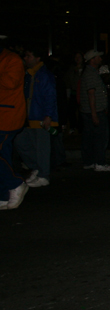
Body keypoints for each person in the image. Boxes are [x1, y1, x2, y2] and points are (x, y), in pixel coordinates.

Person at [16, 45, 59, 188]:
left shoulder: (44, 75)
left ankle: (43, 174)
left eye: (29, 56)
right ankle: (38, 168)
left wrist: (48, 115)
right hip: (29, 116)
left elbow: (50, 96)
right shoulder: (29, 74)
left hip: (40, 116)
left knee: (41, 148)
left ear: (37, 58)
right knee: (21, 143)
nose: (26, 59)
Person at [0, 35, 28, 210]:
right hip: (3, 115)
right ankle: (4, 194)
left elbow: (10, 82)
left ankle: (15, 183)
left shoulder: (12, 59)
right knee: (4, 155)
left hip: (7, 116)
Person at [80, 49, 110, 172]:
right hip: (95, 111)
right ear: (92, 60)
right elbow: (91, 94)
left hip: (90, 111)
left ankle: (89, 161)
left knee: (89, 138)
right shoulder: (90, 73)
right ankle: (99, 162)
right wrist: (94, 113)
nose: (100, 59)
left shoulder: (91, 72)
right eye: (98, 57)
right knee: (100, 137)